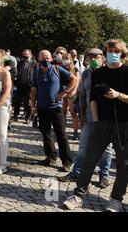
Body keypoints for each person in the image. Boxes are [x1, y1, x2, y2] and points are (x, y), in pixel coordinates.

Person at [63, 39, 128, 212]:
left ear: (122, 54)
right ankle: (78, 195)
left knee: (123, 164)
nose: (111, 55)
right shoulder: (98, 73)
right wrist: (97, 121)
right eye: (108, 51)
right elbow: (93, 99)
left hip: (123, 124)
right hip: (101, 123)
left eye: (115, 52)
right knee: (89, 159)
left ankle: (116, 200)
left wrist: (118, 95)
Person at [59, 48, 112, 188]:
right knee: (83, 146)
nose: (93, 59)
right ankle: (76, 172)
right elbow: (82, 96)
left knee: (106, 148)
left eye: (96, 56)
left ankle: (103, 175)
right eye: (90, 57)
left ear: (103, 58)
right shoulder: (86, 74)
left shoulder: (109, 73)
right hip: (88, 115)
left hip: (106, 117)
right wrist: (81, 115)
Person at [31, 50, 78, 172]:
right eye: (43, 57)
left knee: (61, 134)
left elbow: (74, 79)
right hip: (42, 107)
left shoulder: (57, 69)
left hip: (56, 107)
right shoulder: (36, 72)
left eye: (47, 57)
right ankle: (50, 156)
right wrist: (33, 105)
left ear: (51, 58)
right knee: (46, 133)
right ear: (38, 59)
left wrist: (65, 92)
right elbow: (34, 90)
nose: (45, 59)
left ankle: (67, 162)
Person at [13, 49, 37, 123]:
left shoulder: (34, 64)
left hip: (29, 86)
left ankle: (28, 117)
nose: (24, 56)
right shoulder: (20, 63)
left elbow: (36, 75)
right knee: (17, 101)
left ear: (30, 55)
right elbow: (16, 73)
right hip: (20, 85)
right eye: (23, 54)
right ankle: (15, 116)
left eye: (26, 54)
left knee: (28, 102)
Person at [61, 53, 81, 140]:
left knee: (73, 113)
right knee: (62, 112)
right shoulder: (61, 68)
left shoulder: (75, 68)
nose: (65, 60)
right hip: (62, 92)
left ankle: (75, 132)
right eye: (64, 58)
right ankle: (62, 130)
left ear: (70, 59)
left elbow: (77, 81)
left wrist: (73, 92)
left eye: (67, 58)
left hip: (71, 93)